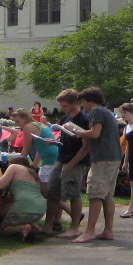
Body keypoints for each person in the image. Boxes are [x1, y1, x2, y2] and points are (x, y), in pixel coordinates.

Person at [70, 87, 123, 242]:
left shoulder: (96, 112)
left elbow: (94, 133)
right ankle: (108, 230)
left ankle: (89, 231)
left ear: (88, 101)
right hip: (113, 158)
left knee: (95, 194)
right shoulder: (107, 112)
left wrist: (75, 131)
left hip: (102, 159)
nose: (82, 106)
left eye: (83, 102)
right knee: (107, 195)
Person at [45, 89, 88, 237]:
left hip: (76, 161)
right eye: (62, 106)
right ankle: (48, 225)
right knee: (52, 192)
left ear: (75, 103)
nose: (63, 109)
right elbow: (65, 138)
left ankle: (74, 227)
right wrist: (55, 142)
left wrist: (73, 163)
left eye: (65, 106)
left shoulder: (84, 119)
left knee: (73, 193)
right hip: (61, 158)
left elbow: (86, 145)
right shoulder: (65, 118)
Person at [0, 156, 48, 241]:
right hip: (40, 209)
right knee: (20, 211)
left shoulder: (14, 167)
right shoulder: (34, 175)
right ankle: (34, 227)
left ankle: (23, 228)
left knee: (3, 229)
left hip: (24, 207)